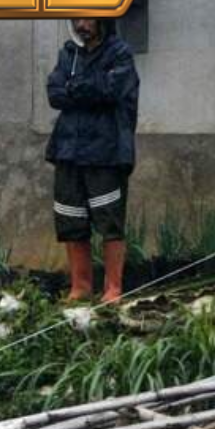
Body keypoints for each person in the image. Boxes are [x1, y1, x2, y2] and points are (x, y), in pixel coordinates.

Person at [45, 15, 139, 304]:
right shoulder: (68, 54)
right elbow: (54, 92)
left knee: (109, 221)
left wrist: (76, 89)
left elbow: (109, 90)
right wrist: (83, 89)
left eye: (86, 18)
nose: (80, 24)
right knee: (71, 220)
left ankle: (112, 290)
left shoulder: (120, 53)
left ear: (102, 19)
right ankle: (81, 287)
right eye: (75, 18)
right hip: (68, 151)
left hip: (105, 152)